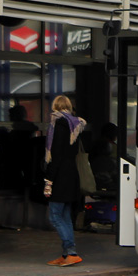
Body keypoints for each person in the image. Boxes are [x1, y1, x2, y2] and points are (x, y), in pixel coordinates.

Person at [44, 95, 86, 266]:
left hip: (60, 176)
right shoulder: (74, 124)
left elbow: (56, 154)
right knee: (65, 215)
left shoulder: (58, 125)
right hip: (72, 175)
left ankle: (70, 250)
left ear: (55, 107)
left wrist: (49, 179)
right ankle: (67, 253)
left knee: (55, 215)